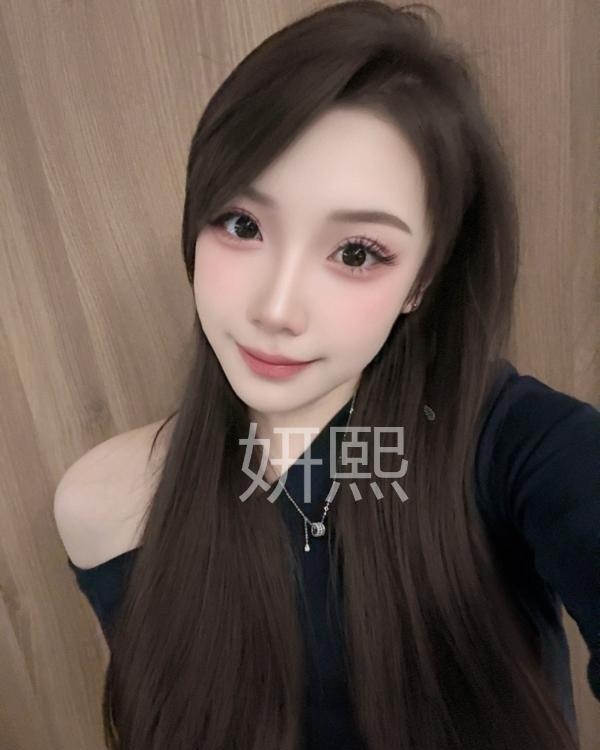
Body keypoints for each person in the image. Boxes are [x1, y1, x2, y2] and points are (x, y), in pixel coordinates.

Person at [54, 2, 600, 749]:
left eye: (356, 253)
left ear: (422, 280)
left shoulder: (514, 449)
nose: (276, 310)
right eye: (242, 224)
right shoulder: (107, 506)